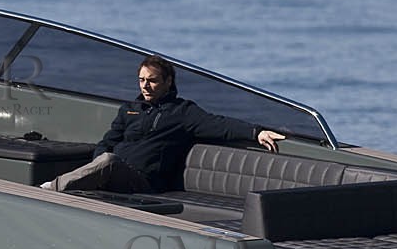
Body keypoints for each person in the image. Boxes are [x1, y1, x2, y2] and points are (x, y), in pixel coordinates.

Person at [41, 55, 285, 193]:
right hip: (113, 175)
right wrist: (98, 161)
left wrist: (257, 132)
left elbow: (219, 124)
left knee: (108, 162)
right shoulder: (130, 109)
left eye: (152, 81)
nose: (145, 86)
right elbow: (108, 141)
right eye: (141, 80)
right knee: (105, 158)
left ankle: (49, 191)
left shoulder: (182, 112)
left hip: (144, 182)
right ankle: (63, 191)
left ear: (168, 82)